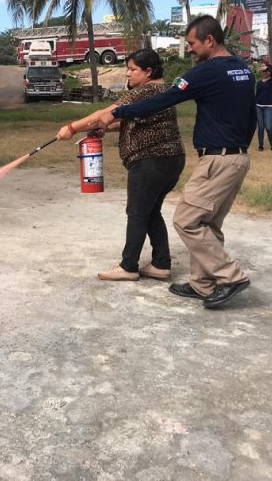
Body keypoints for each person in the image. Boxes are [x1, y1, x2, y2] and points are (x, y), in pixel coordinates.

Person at [96, 15, 257, 308]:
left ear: (210, 40)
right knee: (208, 223)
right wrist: (239, 149)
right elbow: (251, 117)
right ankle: (202, 284)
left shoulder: (205, 72)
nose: (190, 49)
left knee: (186, 220)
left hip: (218, 159)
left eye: (192, 43)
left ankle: (230, 276)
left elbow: (163, 100)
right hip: (237, 157)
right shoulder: (243, 69)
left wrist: (118, 112)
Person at [55, 49, 185, 282]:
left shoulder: (145, 91)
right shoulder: (162, 91)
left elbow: (104, 113)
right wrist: (107, 128)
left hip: (150, 161)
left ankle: (128, 266)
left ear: (148, 71)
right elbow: (131, 120)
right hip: (170, 160)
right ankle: (160, 263)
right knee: (150, 211)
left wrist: (71, 128)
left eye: (133, 69)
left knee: (137, 213)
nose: (128, 74)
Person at [255, 61, 272, 152]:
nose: (264, 72)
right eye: (263, 71)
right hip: (258, 106)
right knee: (261, 127)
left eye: (266, 71)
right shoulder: (259, 83)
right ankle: (261, 145)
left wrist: (267, 68)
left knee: (268, 127)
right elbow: (257, 95)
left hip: (268, 107)